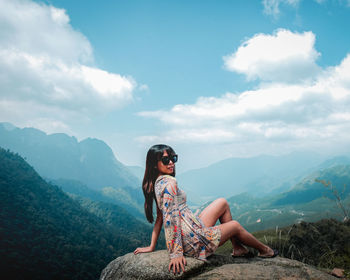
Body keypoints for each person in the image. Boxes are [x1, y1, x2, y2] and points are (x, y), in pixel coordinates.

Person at [134, 144, 277, 275]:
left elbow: (160, 216)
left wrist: (152, 246)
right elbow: (170, 219)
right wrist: (175, 253)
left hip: (191, 229)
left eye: (173, 158)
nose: (171, 162)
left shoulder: (157, 184)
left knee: (222, 203)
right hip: (192, 240)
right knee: (235, 226)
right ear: (154, 165)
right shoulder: (170, 183)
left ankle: (238, 248)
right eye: (166, 160)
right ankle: (265, 251)